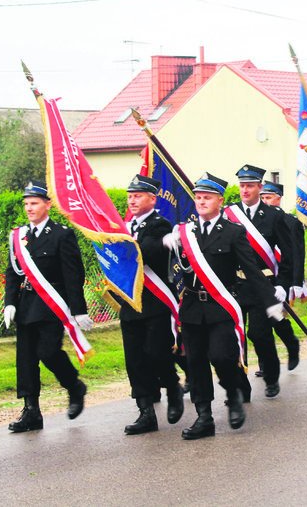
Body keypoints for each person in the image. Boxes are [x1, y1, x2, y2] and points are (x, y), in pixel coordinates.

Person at [164, 173, 283, 439]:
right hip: (193, 307)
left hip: (221, 306)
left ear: (220, 200)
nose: (201, 202)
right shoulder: (186, 231)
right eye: (197, 197)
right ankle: (204, 417)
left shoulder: (233, 232)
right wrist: (168, 246)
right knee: (195, 364)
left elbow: (252, 270)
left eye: (207, 197)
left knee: (222, 357)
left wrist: (270, 302)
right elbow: (175, 271)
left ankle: (233, 394)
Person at [3, 181, 91, 433]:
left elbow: (74, 274)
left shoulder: (61, 234)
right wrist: (9, 302)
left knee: (48, 352)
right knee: (26, 359)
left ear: (47, 205)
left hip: (53, 304)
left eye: (34, 203)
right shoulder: (19, 236)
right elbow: (13, 273)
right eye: (26, 204)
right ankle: (31, 410)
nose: (29, 208)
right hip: (26, 304)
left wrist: (78, 309)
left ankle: (74, 386)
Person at [112, 175, 184, 436]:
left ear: (152, 199)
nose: (132, 200)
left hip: (155, 302)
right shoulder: (121, 226)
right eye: (130, 196)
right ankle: (145, 413)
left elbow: (151, 250)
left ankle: (172, 386)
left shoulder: (159, 224)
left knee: (157, 353)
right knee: (135, 360)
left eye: (138, 196)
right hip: (131, 303)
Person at [226, 165, 293, 399]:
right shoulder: (228, 214)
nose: (245, 190)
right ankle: (240, 384)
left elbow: (287, 253)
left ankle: (271, 376)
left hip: (262, 285)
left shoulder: (274, 216)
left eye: (250, 185)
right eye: (242, 185)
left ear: (260, 187)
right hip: (235, 285)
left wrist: (283, 284)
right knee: (235, 337)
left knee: (259, 333)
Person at [259, 182, 303, 373]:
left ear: (279, 198)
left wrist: (295, 282)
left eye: (268, 197)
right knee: (260, 323)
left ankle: (291, 344)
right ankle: (264, 364)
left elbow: (296, 254)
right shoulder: (254, 220)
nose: (265, 201)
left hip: (280, 278)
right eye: (263, 198)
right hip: (260, 278)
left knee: (275, 317)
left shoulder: (290, 221)